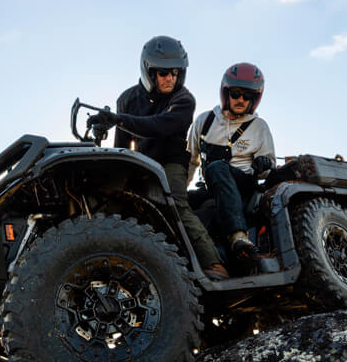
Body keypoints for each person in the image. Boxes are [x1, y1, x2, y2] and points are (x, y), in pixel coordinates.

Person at [87, 35, 228, 280]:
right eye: (163, 73)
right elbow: (121, 145)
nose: (170, 78)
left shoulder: (184, 99)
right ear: (149, 72)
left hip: (170, 162)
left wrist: (119, 120)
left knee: (175, 204)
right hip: (139, 162)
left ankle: (212, 263)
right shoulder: (127, 99)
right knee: (114, 202)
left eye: (175, 72)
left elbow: (160, 125)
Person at [187, 62, 275, 268]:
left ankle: (238, 235)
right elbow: (191, 161)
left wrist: (263, 165)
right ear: (226, 93)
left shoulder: (259, 127)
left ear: (255, 99)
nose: (240, 100)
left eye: (247, 96)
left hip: (243, 186)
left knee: (217, 167)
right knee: (186, 210)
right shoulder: (205, 121)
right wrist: (178, 193)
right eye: (235, 94)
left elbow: (270, 168)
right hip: (211, 188)